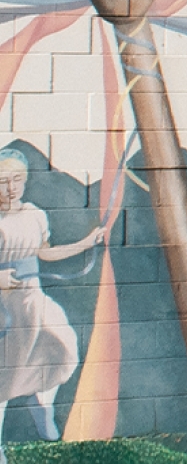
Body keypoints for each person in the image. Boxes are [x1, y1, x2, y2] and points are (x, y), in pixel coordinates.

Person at [0, 149, 106, 444]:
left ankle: (42, 401)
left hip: (34, 299)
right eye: (3, 181)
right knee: (6, 371)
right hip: (4, 308)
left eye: (17, 180)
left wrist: (86, 242)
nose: (11, 188)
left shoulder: (34, 214)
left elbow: (45, 253)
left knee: (65, 349)